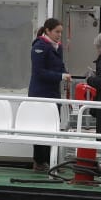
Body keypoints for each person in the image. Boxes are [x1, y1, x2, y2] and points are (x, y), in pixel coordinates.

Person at [28, 17, 70, 171]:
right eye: (57, 32)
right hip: (40, 93)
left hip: (53, 94)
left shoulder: (57, 47)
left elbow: (60, 66)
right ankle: (39, 161)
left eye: (61, 32)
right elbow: (39, 72)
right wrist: (60, 76)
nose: (59, 35)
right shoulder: (39, 46)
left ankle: (49, 161)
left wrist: (65, 73)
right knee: (40, 126)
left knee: (52, 126)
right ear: (47, 31)